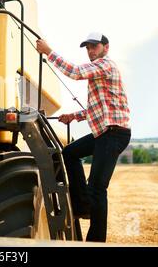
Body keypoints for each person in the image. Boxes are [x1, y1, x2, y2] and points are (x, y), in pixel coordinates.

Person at [36, 32, 131, 243]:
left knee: (98, 188)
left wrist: (48, 52)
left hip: (114, 134)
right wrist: (74, 116)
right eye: (87, 48)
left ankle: (96, 242)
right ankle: (82, 205)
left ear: (106, 47)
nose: (90, 51)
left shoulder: (106, 65)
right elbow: (99, 108)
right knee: (69, 153)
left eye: (94, 47)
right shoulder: (99, 72)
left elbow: (75, 72)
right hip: (103, 133)